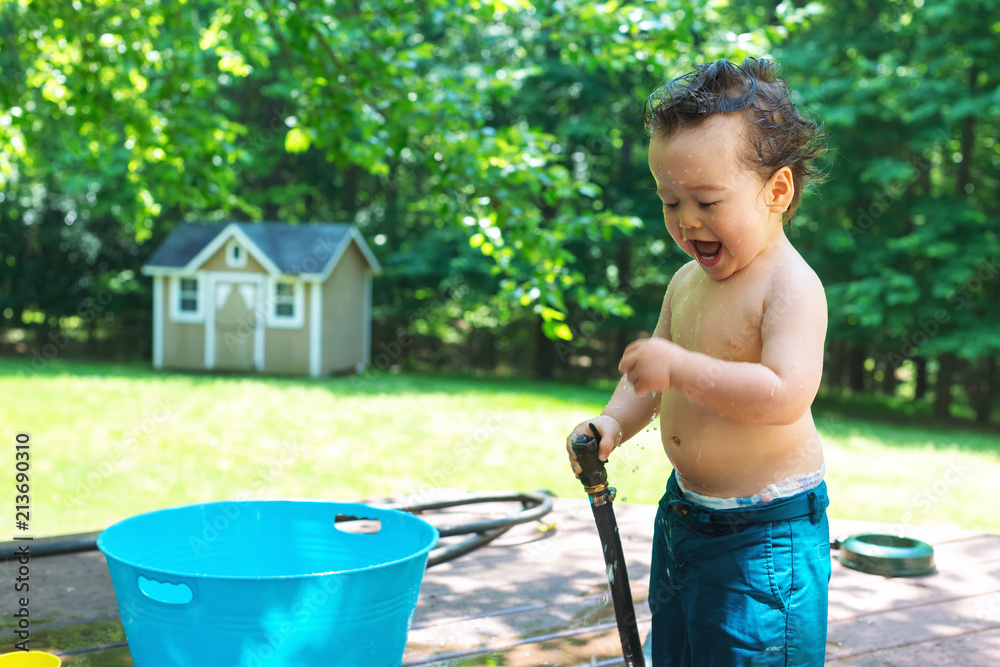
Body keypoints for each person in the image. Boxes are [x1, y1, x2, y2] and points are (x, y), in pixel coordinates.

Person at [566, 57, 830, 666]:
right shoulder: (686, 281)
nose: (686, 221)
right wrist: (613, 423)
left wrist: (682, 369)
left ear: (778, 191)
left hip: (765, 536)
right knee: (681, 647)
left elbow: (785, 393)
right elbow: (646, 383)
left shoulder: (789, 286)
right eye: (670, 201)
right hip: (686, 514)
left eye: (708, 201)